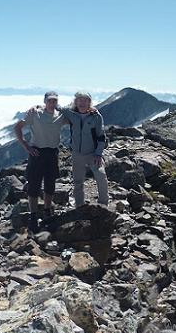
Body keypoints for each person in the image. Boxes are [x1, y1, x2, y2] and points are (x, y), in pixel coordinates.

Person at [14, 91, 65, 232]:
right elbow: (18, 127)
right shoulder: (34, 114)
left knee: (50, 184)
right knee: (33, 185)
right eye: (49, 100)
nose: (52, 103)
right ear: (45, 101)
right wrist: (26, 146)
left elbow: (77, 113)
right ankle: (33, 215)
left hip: (52, 153)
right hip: (37, 153)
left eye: (54, 100)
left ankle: (47, 211)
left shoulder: (61, 115)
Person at [57, 91, 109, 207]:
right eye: (79, 100)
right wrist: (37, 106)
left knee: (101, 176)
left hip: (93, 153)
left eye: (85, 100)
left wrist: (98, 153)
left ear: (89, 103)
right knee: (78, 181)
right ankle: (79, 206)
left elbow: (101, 137)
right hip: (77, 154)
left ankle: (103, 205)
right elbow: (58, 107)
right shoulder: (71, 114)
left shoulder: (96, 116)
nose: (82, 103)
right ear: (75, 102)